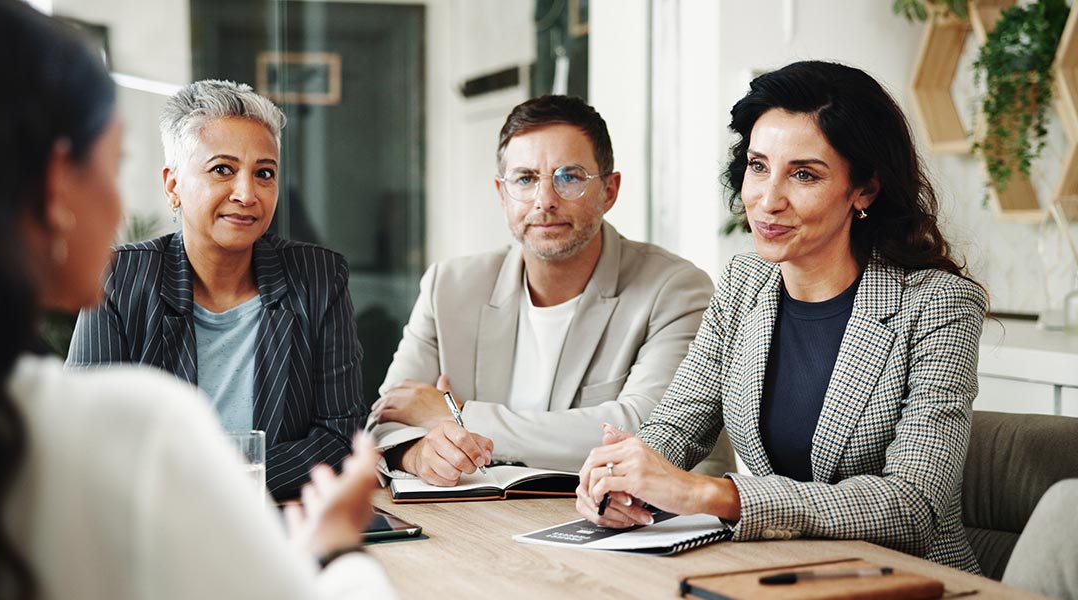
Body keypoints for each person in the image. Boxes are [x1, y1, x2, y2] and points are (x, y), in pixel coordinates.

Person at [0, 1, 392, 598]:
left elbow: (337, 429)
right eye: (114, 165)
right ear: (57, 185)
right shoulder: (134, 434)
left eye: (264, 173)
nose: (116, 207)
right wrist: (339, 550)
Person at [574, 60, 987, 574]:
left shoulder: (938, 304)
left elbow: (910, 505)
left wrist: (713, 494)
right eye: (758, 165)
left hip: (909, 582)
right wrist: (621, 476)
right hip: (778, 571)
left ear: (865, 190)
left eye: (804, 174)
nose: (768, 200)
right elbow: (677, 428)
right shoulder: (745, 284)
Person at [370, 95, 734, 486]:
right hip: (483, 521)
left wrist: (457, 416)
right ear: (502, 193)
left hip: (640, 523)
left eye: (570, 177)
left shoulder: (676, 289)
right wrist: (417, 451)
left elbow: (647, 432)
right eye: (525, 179)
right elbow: (389, 416)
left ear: (609, 191)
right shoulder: (450, 286)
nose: (545, 201)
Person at [66, 80, 366, 500]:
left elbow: (340, 437)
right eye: (222, 169)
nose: (246, 194)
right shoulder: (120, 279)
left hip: (277, 523)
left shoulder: (318, 277)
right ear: (172, 185)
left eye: (264, 173)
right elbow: (87, 435)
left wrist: (221, 483)